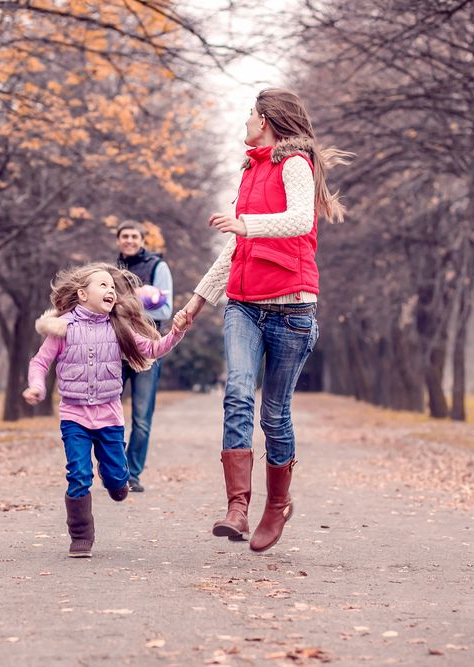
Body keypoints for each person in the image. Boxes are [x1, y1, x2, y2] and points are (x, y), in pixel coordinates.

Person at [180, 88, 351, 552]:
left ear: (268, 119)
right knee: (237, 390)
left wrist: (247, 224)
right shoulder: (251, 170)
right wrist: (197, 302)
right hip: (244, 304)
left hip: (293, 308)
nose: (246, 119)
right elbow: (237, 247)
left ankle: (277, 505)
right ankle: (237, 508)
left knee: (274, 415)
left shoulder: (295, 164)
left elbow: (299, 219)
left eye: (251, 113)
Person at [24, 263, 190, 558]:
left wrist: (175, 334)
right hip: (74, 415)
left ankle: (114, 476)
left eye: (112, 287)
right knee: (78, 474)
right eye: (102, 285)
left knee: (117, 482)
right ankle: (81, 537)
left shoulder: (118, 329)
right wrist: (36, 386)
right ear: (82, 294)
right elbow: (39, 362)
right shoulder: (62, 328)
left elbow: (151, 349)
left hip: (109, 417)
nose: (110, 290)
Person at [116, 222, 174, 493]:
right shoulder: (110, 270)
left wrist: (128, 310)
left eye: (134, 236)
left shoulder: (157, 267)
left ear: (142, 240)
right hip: (114, 350)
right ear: (118, 240)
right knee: (109, 414)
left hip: (147, 351)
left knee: (141, 416)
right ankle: (114, 469)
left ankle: (133, 473)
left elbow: (165, 310)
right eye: (124, 236)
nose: (129, 240)